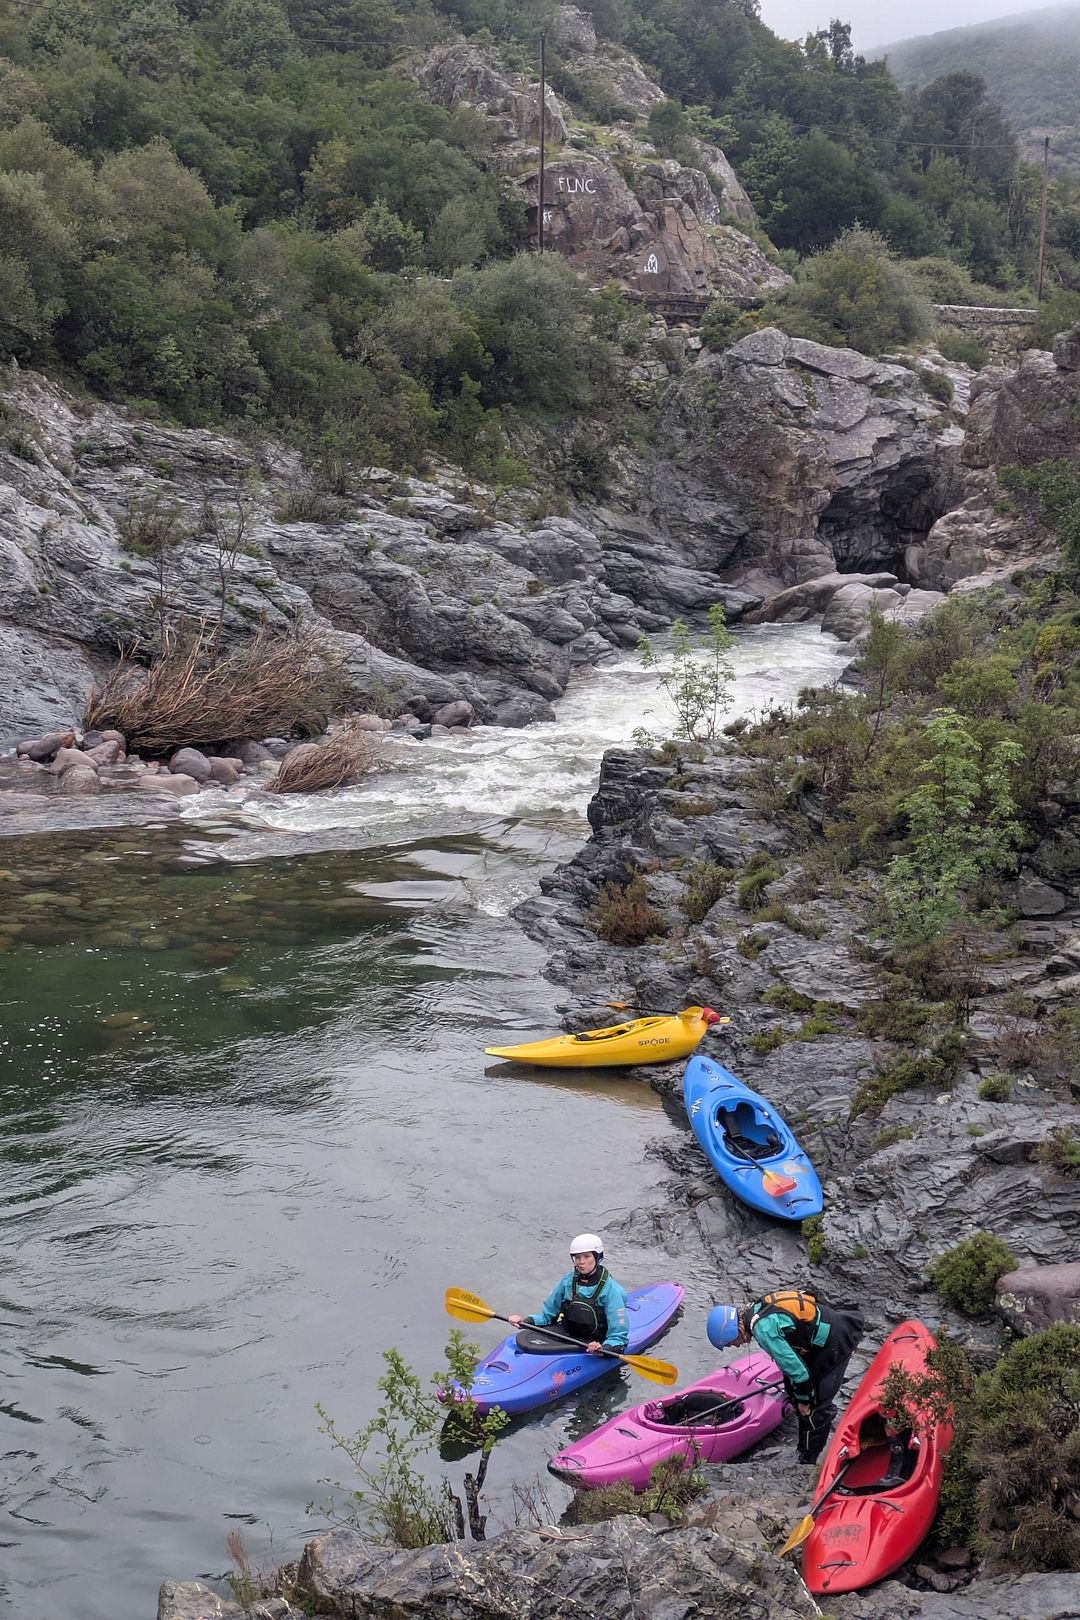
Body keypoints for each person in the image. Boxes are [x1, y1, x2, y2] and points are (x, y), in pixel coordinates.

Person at [707, 1288, 864, 1464]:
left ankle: (808, 1462)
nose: (734, 1347)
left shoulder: (763, 1330)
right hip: (815, 1339)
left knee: (816, 1407)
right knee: (794, 1392)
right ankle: (803, 1448)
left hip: (835, 1339)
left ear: (731, 1332)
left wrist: (804, 1400)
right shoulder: (755, 1309)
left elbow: (800, 1374)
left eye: (729, 1344)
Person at [509, 1234, 629, 1356]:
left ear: (597, 1257)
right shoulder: (567, 1281)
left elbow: (618, 1336)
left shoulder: (611, 1290)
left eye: (587, 1256)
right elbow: (547, 1317)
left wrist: (605, 1348)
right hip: (568, 1333)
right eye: (577, 1257)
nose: (581, 1262)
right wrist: (525, 1321)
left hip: (596, 1341)